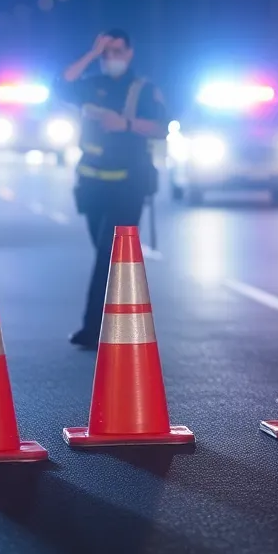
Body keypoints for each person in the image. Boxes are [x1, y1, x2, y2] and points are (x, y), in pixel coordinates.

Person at [54, 29, 168, 348]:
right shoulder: (92, 85)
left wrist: (127, 125)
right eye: (107, 53)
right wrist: (91, 54)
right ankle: (118, 320)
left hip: (128, 185)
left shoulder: (143, 90)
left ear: (130, 53)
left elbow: (161, 128)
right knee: (105, 255)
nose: (112, 58)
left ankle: (93, 329)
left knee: (108, 253)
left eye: (117, 51)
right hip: (92, 186)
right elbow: (60, 85)